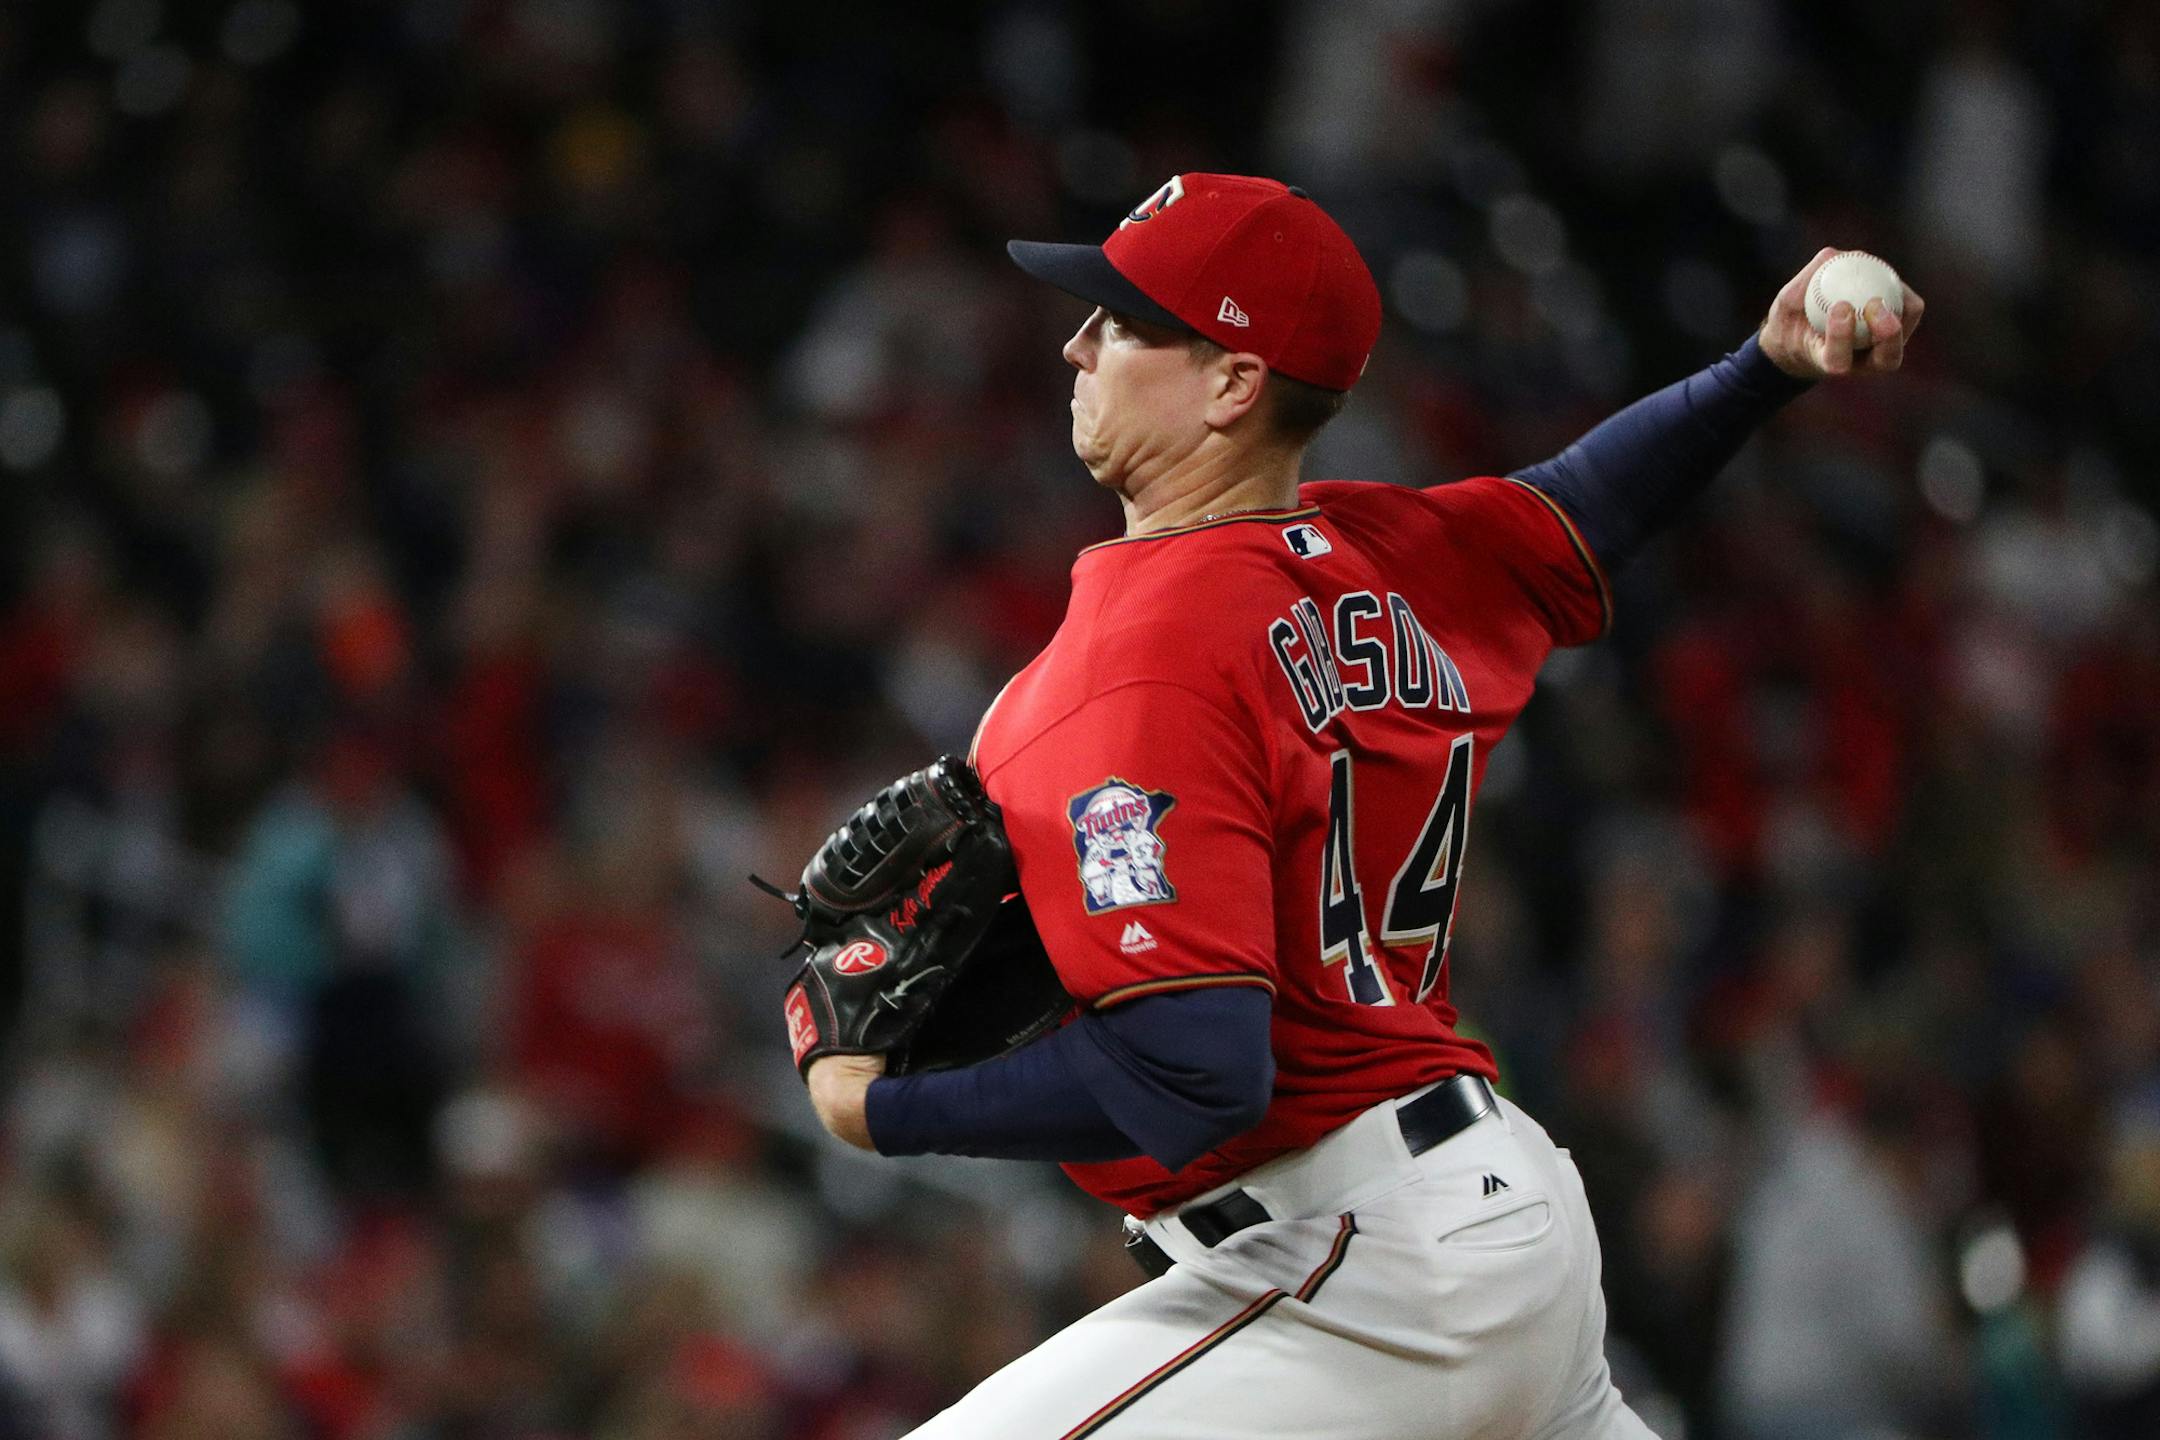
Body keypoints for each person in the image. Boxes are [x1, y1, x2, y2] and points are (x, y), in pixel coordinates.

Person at [798, 173, 1920, 1437]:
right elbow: (1588, 505)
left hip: (1357, 1271)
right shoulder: (1380, 555)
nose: (1077, 343)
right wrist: (1762, 367)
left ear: (1232, 384)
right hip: (1492, 1226)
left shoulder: (1141, 658)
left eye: (1120, 321)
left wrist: (876, 1110)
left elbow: (1197, 1067)